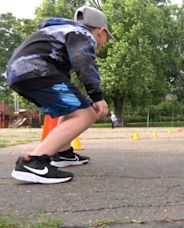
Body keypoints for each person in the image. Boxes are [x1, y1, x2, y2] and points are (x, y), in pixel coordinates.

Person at [6, 6, 114, 184]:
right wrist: (96, 96)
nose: (103, 43)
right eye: (106, 38)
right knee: (86, 115)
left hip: (21, 72)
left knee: (72, 109)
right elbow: (83, 62)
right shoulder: (83, 34)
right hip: (36, 71)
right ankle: (33, 162)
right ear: (100, 31)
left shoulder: (59, 30)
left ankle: (62, 153)